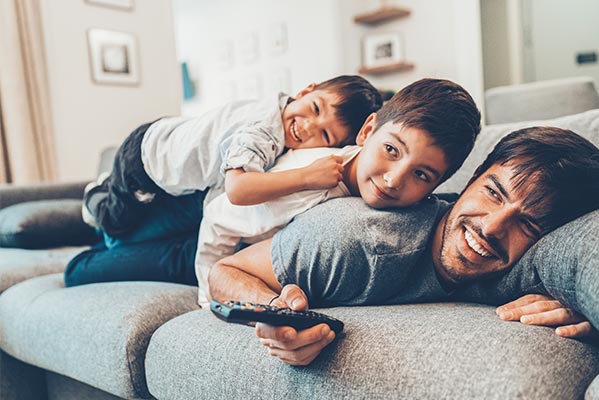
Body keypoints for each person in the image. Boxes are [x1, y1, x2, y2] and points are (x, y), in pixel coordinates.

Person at [207, 126, 599, 366]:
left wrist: (582, 311)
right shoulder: (352, 238)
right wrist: (275, 313)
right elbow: (224, 270)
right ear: (474, 176)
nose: (492, 227)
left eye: (527, 223)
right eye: (494, 193)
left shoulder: (528, 269)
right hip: (223, 213)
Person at [194, 78, 481, 305]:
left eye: (421, 174)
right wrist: (207, 297)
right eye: (391, 150)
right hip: (208, 224)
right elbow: (220, 218)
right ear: (367, 131)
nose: (394, 180)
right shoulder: (308, 176)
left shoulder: (415, 211)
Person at [83, 75, 382, 246]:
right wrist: (307, 176)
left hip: (163, 135)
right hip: (146, 163)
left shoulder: (275, 112)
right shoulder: (263, 131)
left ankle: (109, 184)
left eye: (326, 136)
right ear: (305, 91)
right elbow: (238, 190)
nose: (307, 127)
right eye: (315, 109)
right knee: (116, 221)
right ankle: (93, 196)